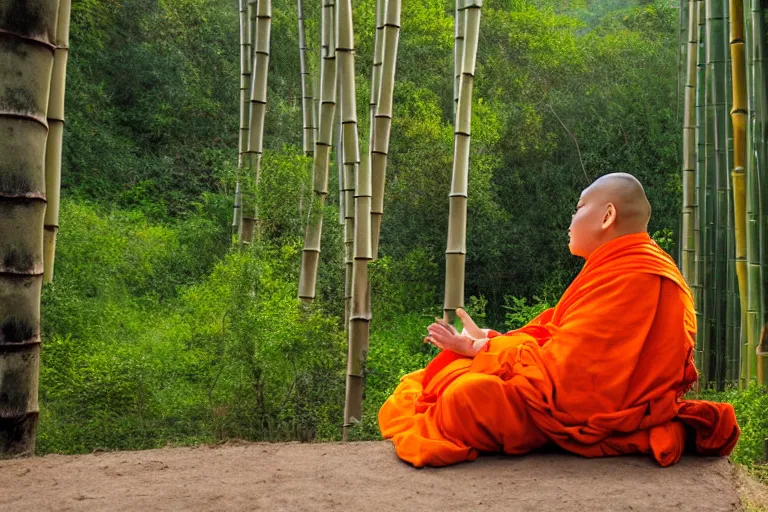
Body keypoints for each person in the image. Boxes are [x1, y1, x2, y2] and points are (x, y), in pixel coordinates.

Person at [378, 173, 740, 468]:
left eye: (579, 208)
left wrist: (484, 349)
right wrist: (488, 340)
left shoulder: (640, 275)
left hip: (591, 407)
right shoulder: (616, 266)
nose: (571, 221)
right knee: (431, 378)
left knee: (465, 398)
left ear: (607, 216)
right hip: (572, 391)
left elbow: (573, 379)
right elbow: (557, 336)